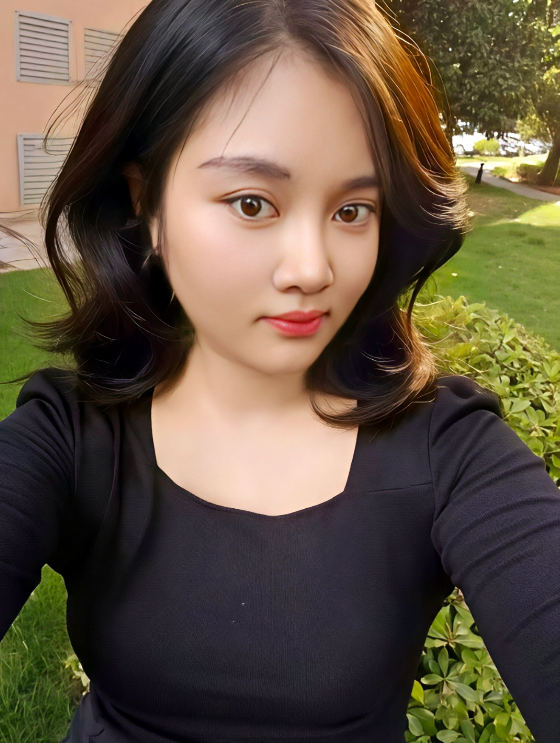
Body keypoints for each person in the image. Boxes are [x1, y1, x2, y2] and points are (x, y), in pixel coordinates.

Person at [0, 1, 558, 741]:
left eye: (352, 210)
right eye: (253, 202)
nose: (312, 268)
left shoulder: (451, 452)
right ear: (147, 203)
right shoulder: (70, 437)